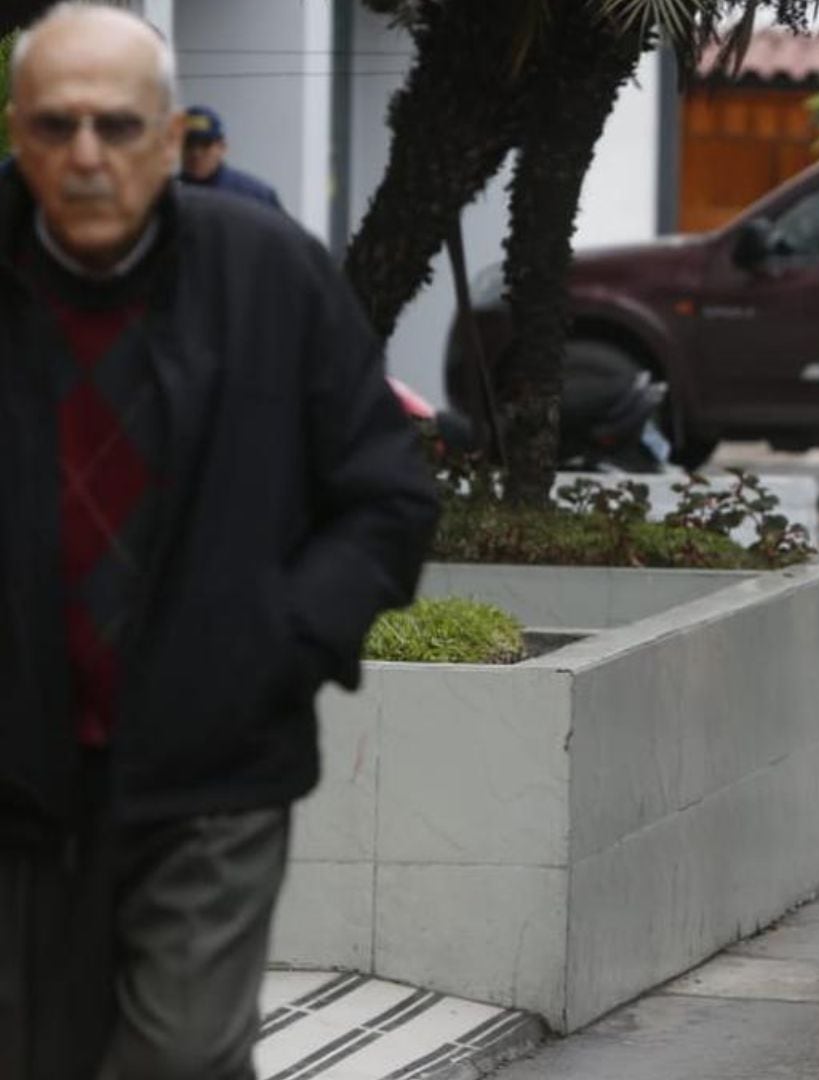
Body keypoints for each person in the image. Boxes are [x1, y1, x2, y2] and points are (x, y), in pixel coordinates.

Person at [0, 6, 438, 1079]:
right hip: (16, 788)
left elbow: (386, 494)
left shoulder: (269, 273)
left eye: (116, 125)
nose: (87, 156)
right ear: (16, 133)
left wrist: (276, 644)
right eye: (56, 126)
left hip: (212, 777)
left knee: (176, 1059)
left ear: (170, 133)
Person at [178, 104, 282, 209]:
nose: (196, 153)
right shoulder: (167, 194)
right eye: (188, 144)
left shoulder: (254, 195)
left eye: (205, 144)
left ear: (222, 147)